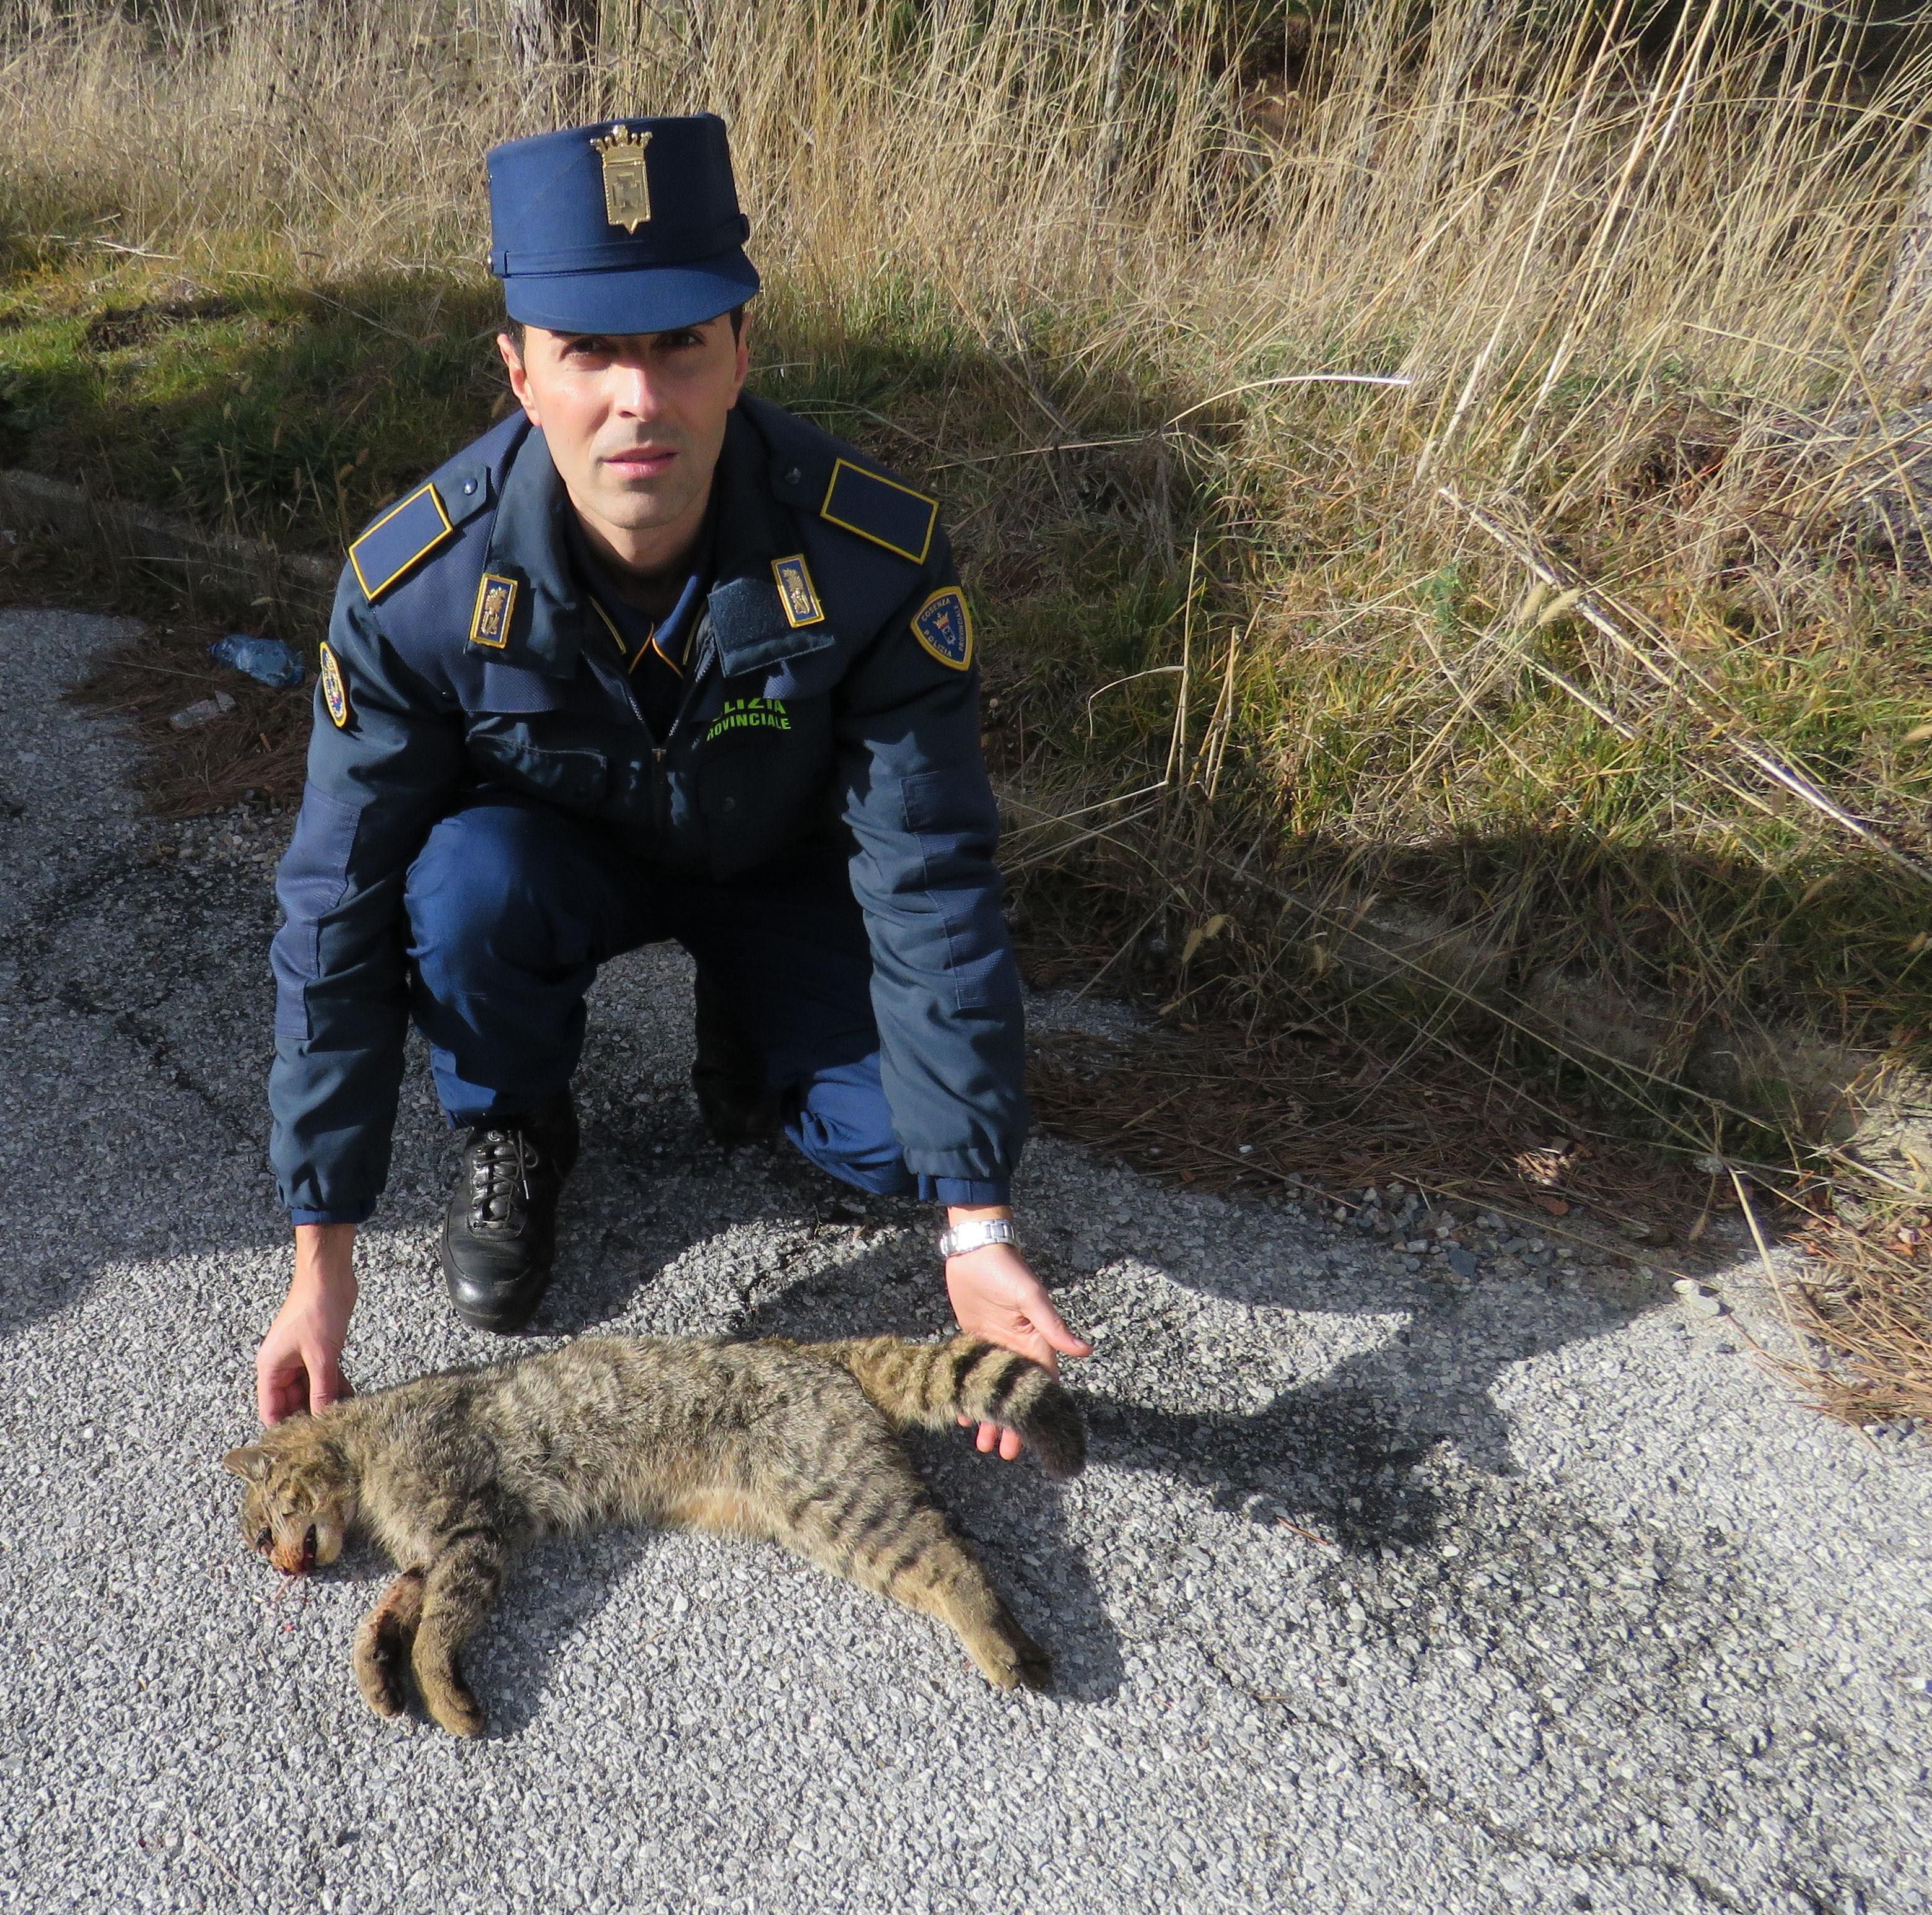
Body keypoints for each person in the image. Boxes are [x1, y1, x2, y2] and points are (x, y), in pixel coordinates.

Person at [253, 114, 1089, 1454]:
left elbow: (928, 871)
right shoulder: (418, 594)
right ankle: (519, 1120)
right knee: (462, 888)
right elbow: (334, 906)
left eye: (681, 344)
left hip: (776, 864)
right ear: (521, 374)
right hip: (556, 868)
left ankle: (749, 1025)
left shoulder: (867, 561)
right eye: (589, 351)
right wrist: (321, 1256)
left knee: (899, 1144)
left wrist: (974, 1225)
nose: (638, 398)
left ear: (742, 352)